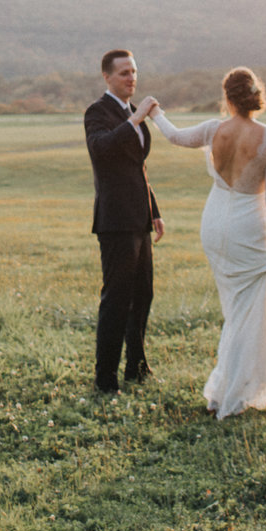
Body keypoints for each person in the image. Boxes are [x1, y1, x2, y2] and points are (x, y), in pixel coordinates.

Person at [144, 66, 266, 418]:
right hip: (248, 227)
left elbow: (175, 136)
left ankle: (227, 389)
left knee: (237, 309)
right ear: (256, 95)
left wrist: (155, 113)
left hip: (215, 223)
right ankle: (229, 395)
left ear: (227, 97)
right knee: (245, 311)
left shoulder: (212, 129)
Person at [82, 49, 164, 393]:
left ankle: (137, 367)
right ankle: (105, 379)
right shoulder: (97, 112)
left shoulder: (131, 112)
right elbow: (101, 149)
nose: (132, 78)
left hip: (139, 218)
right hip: (115, 220)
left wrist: (154, 210)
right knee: (116, 299)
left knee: (143, 295)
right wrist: (136, 119)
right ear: (107, 77)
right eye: (124, 73)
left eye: (134, 72)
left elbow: (137, 167)